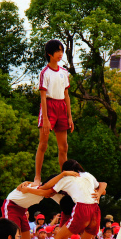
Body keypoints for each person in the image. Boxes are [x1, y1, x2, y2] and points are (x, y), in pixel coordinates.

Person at [34, 39, 74, 185]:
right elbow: (43, 98)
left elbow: (67, 95)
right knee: (43, 144)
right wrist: (45, 119)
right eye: (57, 51)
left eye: (61, 51)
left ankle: (65, 177)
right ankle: (37, 177)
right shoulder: (45, 73)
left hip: (62, 107)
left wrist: (70, 117)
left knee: (63, 147)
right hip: (49, 107)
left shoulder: (64, 72)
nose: (60, 54)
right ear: (49, 54)